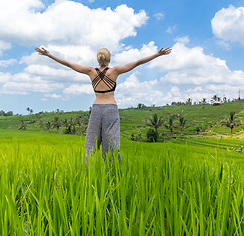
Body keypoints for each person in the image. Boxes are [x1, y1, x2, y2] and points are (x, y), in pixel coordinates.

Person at [35, 46, 171, 164]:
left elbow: (69, 64)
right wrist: (157, 55)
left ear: (97, 59)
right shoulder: (115, 71)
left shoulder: (90, 71)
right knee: (112, 143)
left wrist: (49, 55)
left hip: (96, 109)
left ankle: (88, 173)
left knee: (90, 144)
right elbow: (137, 62)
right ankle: (113, 174)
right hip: (111, 109)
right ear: (109, 60)